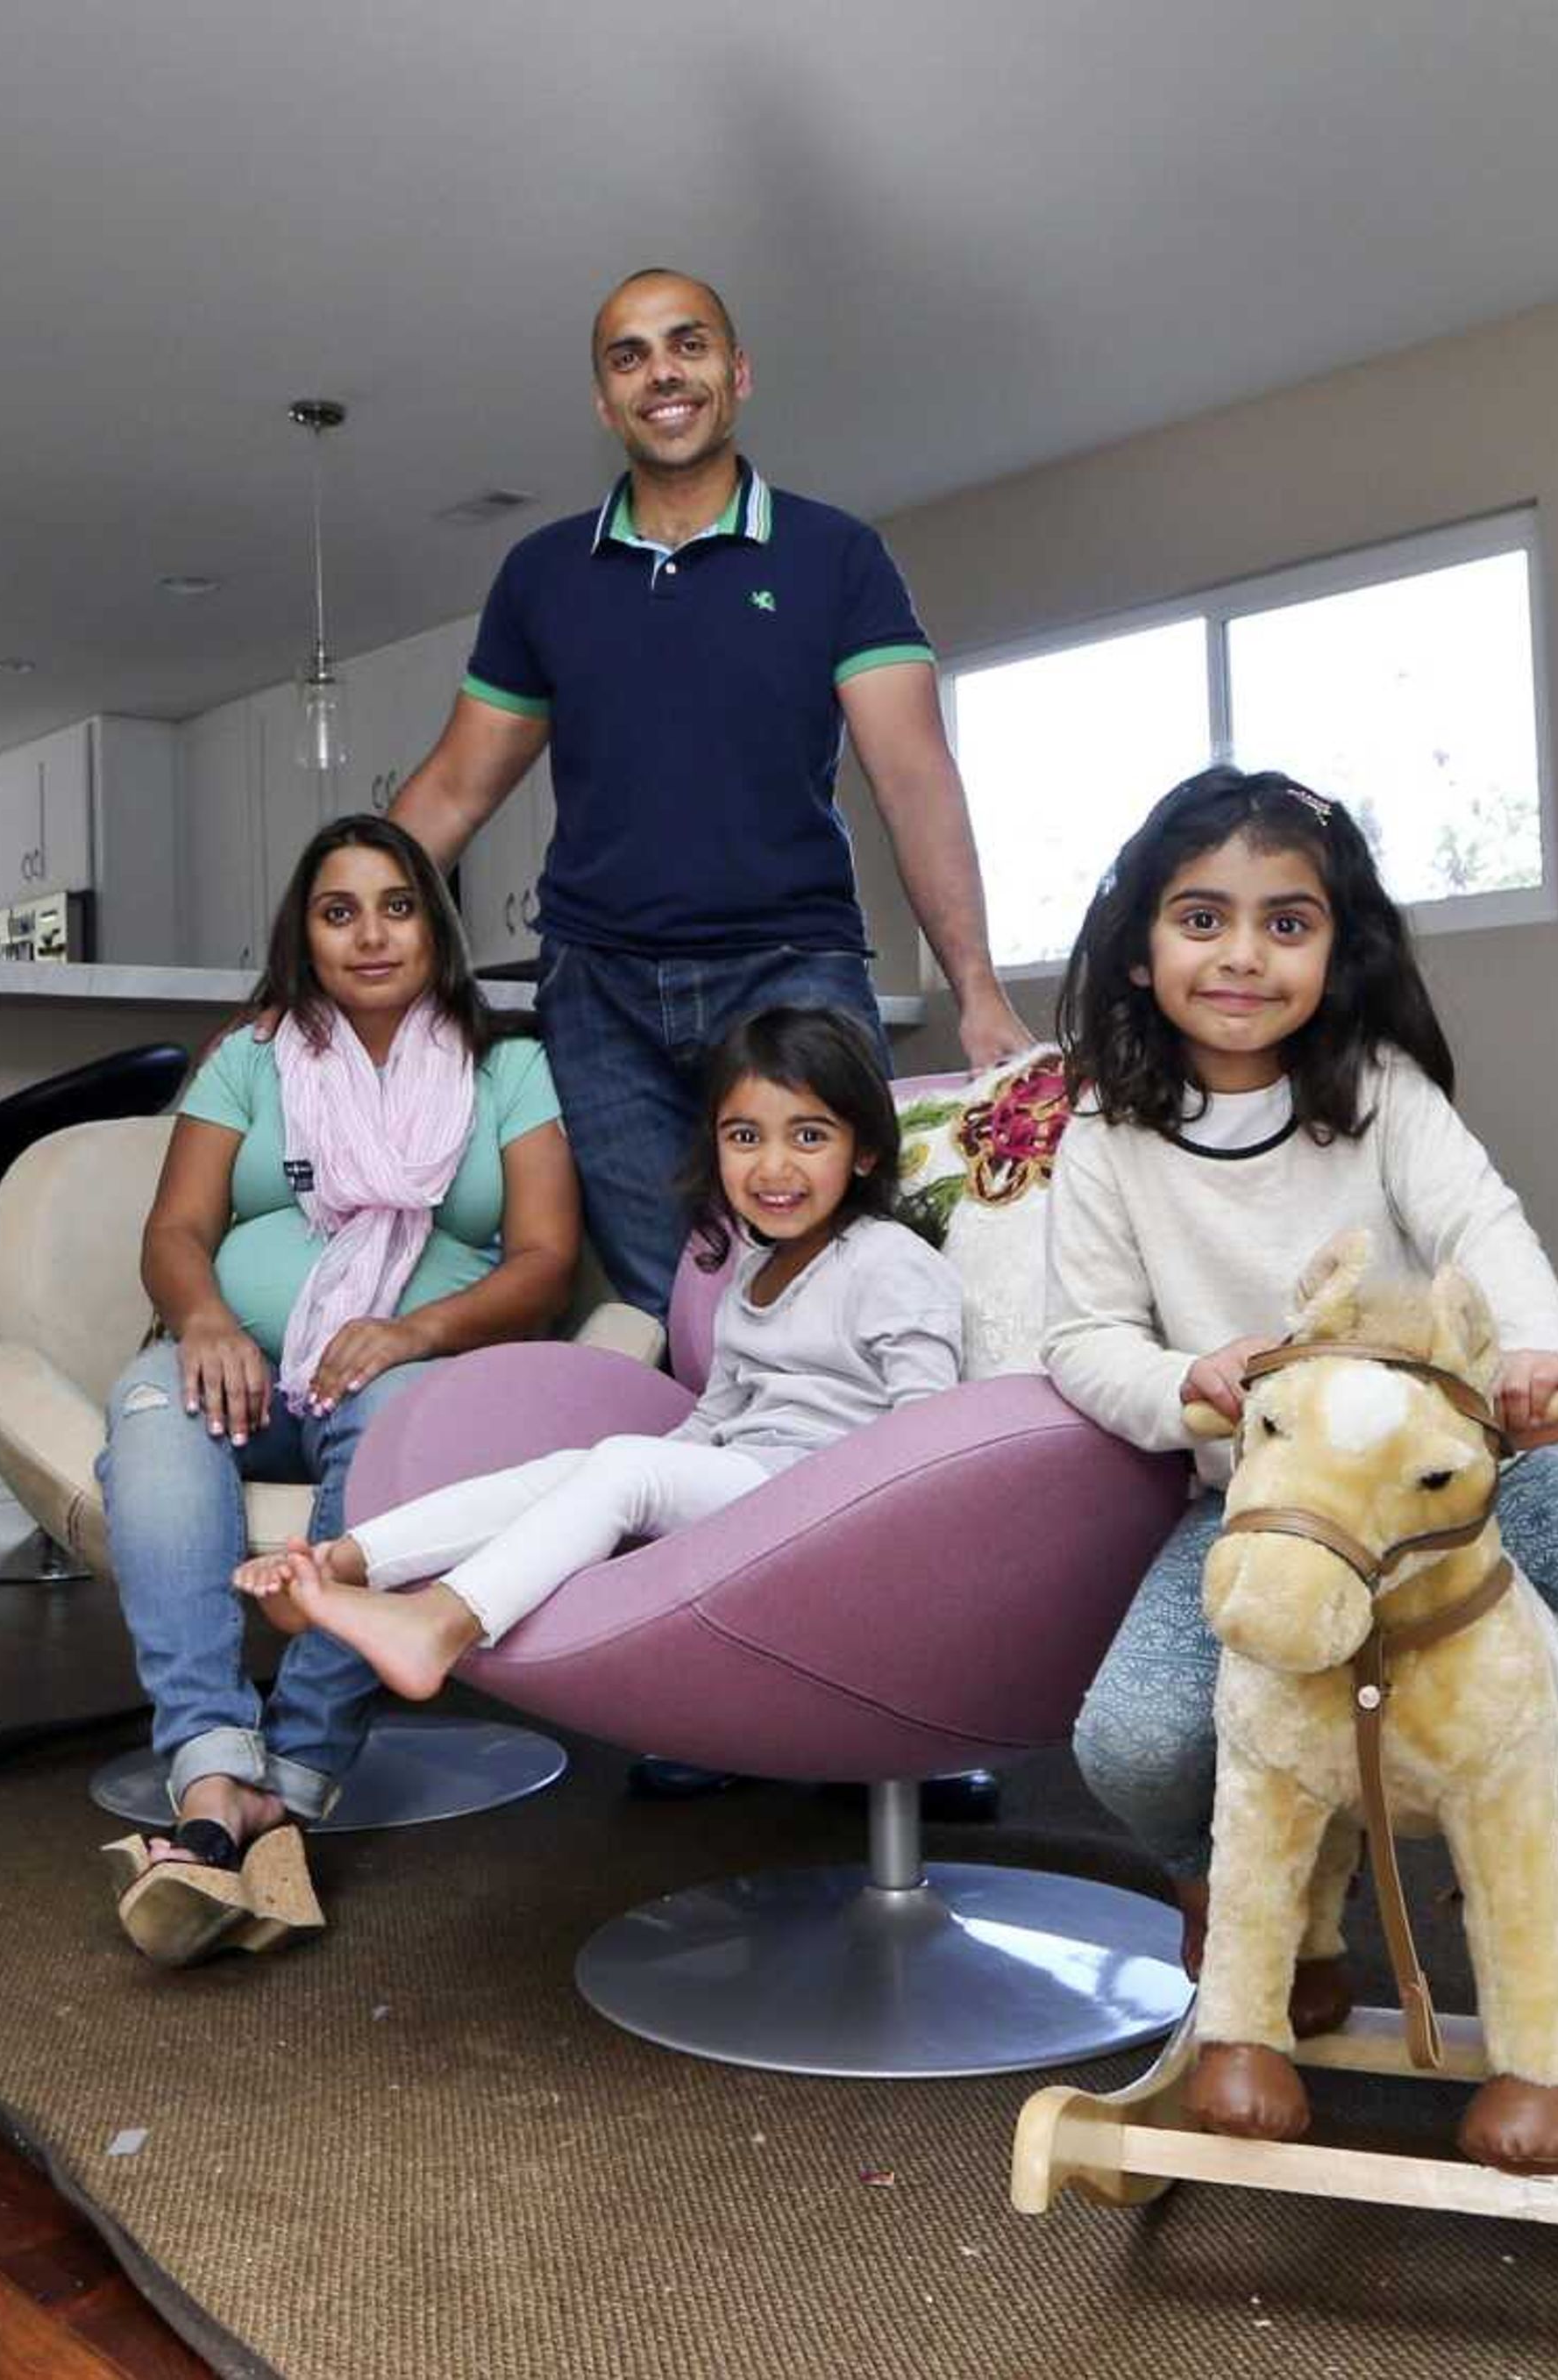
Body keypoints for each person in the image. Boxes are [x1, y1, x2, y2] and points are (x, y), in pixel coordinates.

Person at [1040, 764, 1558, 2147]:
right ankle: (1239, 1900)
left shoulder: (1379, 1093)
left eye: (1286, 922)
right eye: (1201, 918)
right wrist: (1179, 1380)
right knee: (1132, 1737)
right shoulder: (1106, 1133)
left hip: (1458, 1492)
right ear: (1140, 944)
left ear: (1338, 948)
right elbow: (1081, 1334)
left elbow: (1488, 1229)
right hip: (1269, 1512)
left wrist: (1537, 1359)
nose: (1242, 953)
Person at [387, 265, 1034, 1325]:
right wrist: (315, 945)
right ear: (606, 402)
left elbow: (913, 778)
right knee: (681, 1308)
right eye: (628, 355)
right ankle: (724, 1489)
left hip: (793, 970)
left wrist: (976, 986)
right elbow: (455, 789)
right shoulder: (541, 574)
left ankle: (846, 1491)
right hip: (600, 997)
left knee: (844, 1277)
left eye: (687, 344)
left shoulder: (837, 556)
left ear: (736, 372)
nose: (662, 373)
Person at [97, 816, 582, 1965]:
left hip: (404, 1378)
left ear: (437, 924)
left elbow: (545, 1262)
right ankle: (213, 1768)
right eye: (338, 909)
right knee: (158, 1400)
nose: (370, 933)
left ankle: (287, 1782)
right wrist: (208, 1318)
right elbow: (175, 1227)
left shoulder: (507, 1065)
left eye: (396, 904)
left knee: (392, 1412)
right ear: (303, 935)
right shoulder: (250, 1059)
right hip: (246, 1377)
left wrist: (413, 1329)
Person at [235, 1005, 962, 1698]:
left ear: (864, 1150)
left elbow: (928, 1436)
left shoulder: (888, 1262)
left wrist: (642, 1478)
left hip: (828, 1503)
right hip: (751, 1483)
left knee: (622, 1467)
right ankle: (348, 1562)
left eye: (808, 1137)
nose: (773, 1167)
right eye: (745, 1137)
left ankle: (440, 1623)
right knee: (582, 1467)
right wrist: (646, 1493)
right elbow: (718, 1416)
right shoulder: (751, 1269)